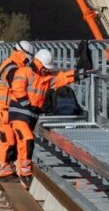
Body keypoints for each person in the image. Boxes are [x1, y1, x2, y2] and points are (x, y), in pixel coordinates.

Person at [8, 49, 88, 189]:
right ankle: (25, 174)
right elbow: (17, 88)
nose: (46, 70)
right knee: (27, 139)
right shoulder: (24, 72)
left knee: (24, 143)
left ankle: (23, 171)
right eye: (45, 68)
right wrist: (27, 105)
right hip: (19, 114)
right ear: (39, 64)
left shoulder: (46, 78)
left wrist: (82, 73)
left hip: (31, 116)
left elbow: (63, 78)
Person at [0, 41, 34, 179]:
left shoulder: (11, 65)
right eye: (28, 58)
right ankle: (5, 169)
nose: (28, 62)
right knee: (8, 141)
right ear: (23, 54)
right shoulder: (12, 68)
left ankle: (8, 168)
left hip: (7, 110)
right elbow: (17, 87)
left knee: (12, 141)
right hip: (3, 110)